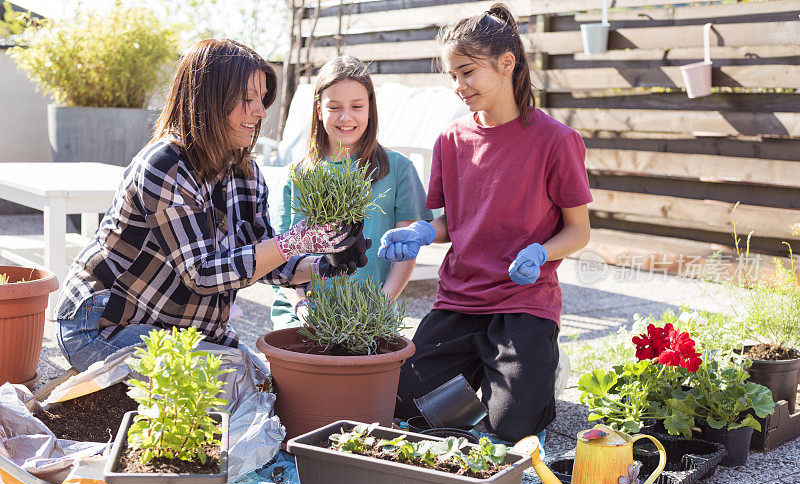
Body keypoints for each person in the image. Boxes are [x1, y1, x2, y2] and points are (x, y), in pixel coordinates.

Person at [56, 39, 357, 373]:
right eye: (248, 99)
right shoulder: (165, 165)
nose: (261, 111)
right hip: (105, 325)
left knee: (260, 381)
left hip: (177, 329)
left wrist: (324, 264)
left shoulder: (246, 172)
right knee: (231, 384)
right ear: (211, 100)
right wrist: (292, 242)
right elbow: (201, 273)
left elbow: (266, 261)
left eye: (261, 99)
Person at [379, 4, 593, 446]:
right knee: (405, 406)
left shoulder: (556, 141)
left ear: (506, 64)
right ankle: (494, 375)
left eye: (467, 72)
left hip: (523, 302)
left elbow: (579, 230)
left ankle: (536, 372)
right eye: (452, 76)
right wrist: (422, 232)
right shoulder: (452, 139)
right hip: (459, 300)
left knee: (513, 429)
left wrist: (541, 252)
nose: (458, 86)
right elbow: (449, 224)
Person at [270, 55, 433, 328]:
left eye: (357, 106)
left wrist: (380, 306)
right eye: (334, 107)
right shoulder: (296, 176)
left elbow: (406, 252)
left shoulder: (399, 169)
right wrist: (301, 305)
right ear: (319, 110)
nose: (346, 117)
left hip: (372, 314)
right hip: (303, 316)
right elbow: (279, 257)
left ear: (370, 108)